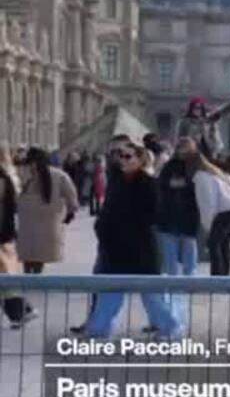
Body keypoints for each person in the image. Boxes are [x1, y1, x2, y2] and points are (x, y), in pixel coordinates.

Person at [81, 143, 182, 339]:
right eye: (120, 156)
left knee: (152, 296)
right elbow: (107, 211)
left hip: (140, 247)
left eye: (128, 156)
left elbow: (154, 214)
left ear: (140, 159)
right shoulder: (117, 181)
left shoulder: (149, 184)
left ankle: (170, 328)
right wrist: (101, 228)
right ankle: (98, 331)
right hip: (115, 248)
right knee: (109, 293)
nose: (123, 160)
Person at [154, 137, 201, 331]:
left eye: (186, 148)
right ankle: (173, 279)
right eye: (180, 148)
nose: (182, 151)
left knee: (189, 247)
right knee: (170, 251)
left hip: (189, 214)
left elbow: (198, 186)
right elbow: (162, 185)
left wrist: (180, 184)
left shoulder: (196, 166)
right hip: (168, 214)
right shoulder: (169, 166)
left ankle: (189, 279)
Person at [14, 147, 79, 282]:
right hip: (48, 225)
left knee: (30, 254)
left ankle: (29, 277)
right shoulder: (59, 175)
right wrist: (70, 214)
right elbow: (72, 197)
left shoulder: (21, 174)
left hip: (27, 225)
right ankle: (35, 278)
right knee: (39, 254)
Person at [193, 152, 230, 276]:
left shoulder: (201, 176)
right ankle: (225, 275)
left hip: (226, 210)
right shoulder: (215, 171)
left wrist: (207, 225)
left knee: (214, 244)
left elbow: (208, 202)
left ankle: (217, 276)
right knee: (224, 244)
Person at [0, 146, 26, 327]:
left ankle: (20, 312)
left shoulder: (2, 179)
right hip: (5, 235)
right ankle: (21, 312)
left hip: (2, 236)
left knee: (6, 278)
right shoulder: (8, 177)